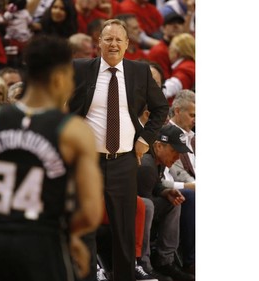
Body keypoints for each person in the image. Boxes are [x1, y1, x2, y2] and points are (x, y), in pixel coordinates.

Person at [0, 35, 104, 281]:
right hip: (43, 244)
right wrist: (69, 236)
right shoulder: (73, 132)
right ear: (59, 77)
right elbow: (91, 212)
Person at [68, 19, 169, 281]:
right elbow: (62, 105)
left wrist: (146, 139)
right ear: (98, 43)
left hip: (124, 161)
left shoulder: (140, 72)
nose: (113, 44)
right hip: (87, 162)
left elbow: (160, 108)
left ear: (127, 44)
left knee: (124, 231)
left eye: (118, 40)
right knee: (85, 228)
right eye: (108, 39)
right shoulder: (79, 69)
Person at [137, 124, 195, 281]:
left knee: (174, 201)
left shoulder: (158, 159)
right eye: (174, 151)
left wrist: (166, 192)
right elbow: (142, 210)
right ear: (158, 145)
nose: (178, 157)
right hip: (125, 213)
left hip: (141, 206)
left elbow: (155, 186)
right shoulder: (147, 164)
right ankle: (143, 264)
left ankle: (165, 261)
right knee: (147, 207)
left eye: (180, 152)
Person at [166, 90, 196, 274]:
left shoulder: (194, 137)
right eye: (192, 115)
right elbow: (172, 175)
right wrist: (191, 185)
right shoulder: (166, 135)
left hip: (191, 184)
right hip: (175, 187)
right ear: (177, 111)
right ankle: (192, 260)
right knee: (191, 195)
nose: (195, 119)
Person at [147, 12, 185, 79]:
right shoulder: (159, 51)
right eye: (171, 23)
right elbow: (163, 81)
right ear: (163, 28)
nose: (176, 26)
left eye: (179, 23)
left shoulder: (184, 48)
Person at [163, 33, 195, 104]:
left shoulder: (186, 68)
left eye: (170, 48)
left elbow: (170, 88)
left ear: (176, 52)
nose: (168, 51)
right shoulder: (190, 65)